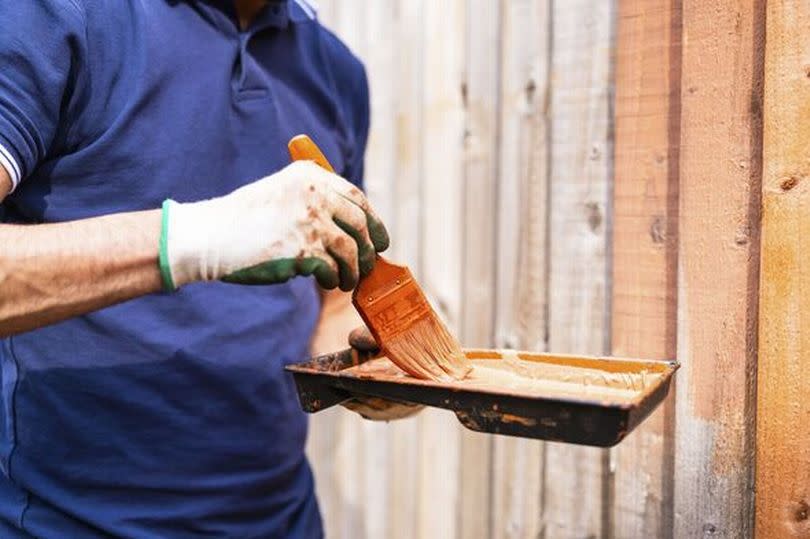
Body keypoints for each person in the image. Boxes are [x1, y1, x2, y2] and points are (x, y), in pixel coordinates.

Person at [0, 0, 402, 536]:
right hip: (67, 520)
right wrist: (200, 239)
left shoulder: (335, 71)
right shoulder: (55, 17)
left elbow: (329, 297)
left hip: (282, 519)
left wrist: (369, 370)